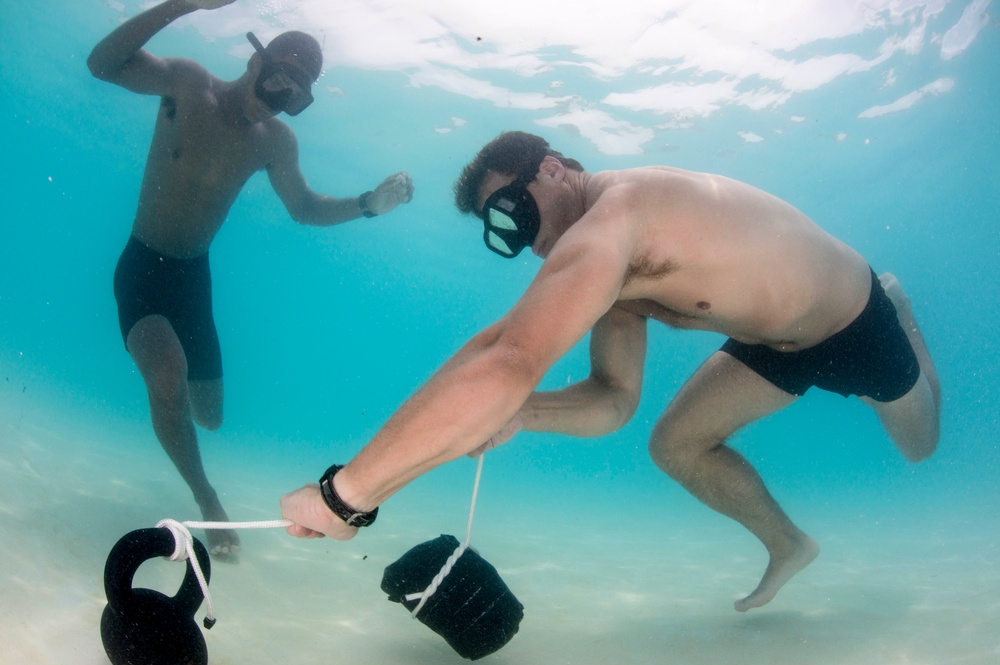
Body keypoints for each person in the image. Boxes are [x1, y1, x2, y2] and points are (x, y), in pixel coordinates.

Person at [280, 131, 939, 611]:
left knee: (919, 446)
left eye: (511, 212)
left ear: (554, 170)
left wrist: (347, 494)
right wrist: (521, 412)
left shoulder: (620, 215)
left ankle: (905, 315)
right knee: (674, 443)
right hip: (773, 344)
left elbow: (508, 357)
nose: (516, 239)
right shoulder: (609, 272)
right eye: (497, 232)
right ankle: (789, 544)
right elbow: (612, 399)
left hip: (853, 318)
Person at [88, 0, 415, 558]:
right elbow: (102, 65)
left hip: (194, 279)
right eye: (281, 80)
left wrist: (369, 205)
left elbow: (305, 208)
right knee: (167, 374)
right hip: (142, 264)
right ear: (257, 61)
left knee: (210, 418)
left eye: (297, 96)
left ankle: (177, 427)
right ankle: (207, 498)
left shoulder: (274, 143)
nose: (282, 99)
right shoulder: (189, 86)